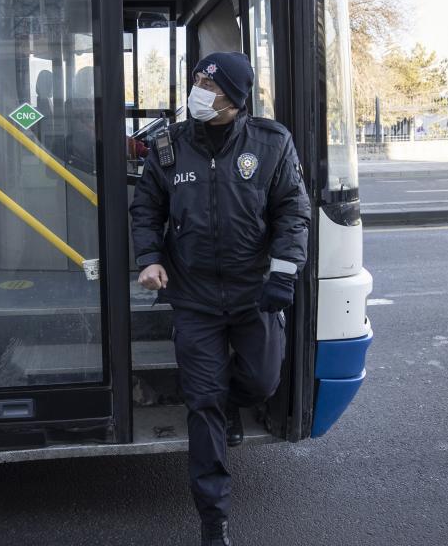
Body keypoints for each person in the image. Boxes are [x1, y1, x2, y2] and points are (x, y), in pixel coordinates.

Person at [129, 52, 311, 546]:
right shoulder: (169, 145)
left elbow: (294, 212)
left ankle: (234, 402)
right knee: (202, 401)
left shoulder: (271, 143)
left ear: (234, 99)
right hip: (195, 296)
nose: (198, 92)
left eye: (209, 86)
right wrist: (148, 257)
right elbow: (146, 206)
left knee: (263, 380)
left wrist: (283, 273)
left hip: (254, 293)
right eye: (196, 82)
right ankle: (214, 521)